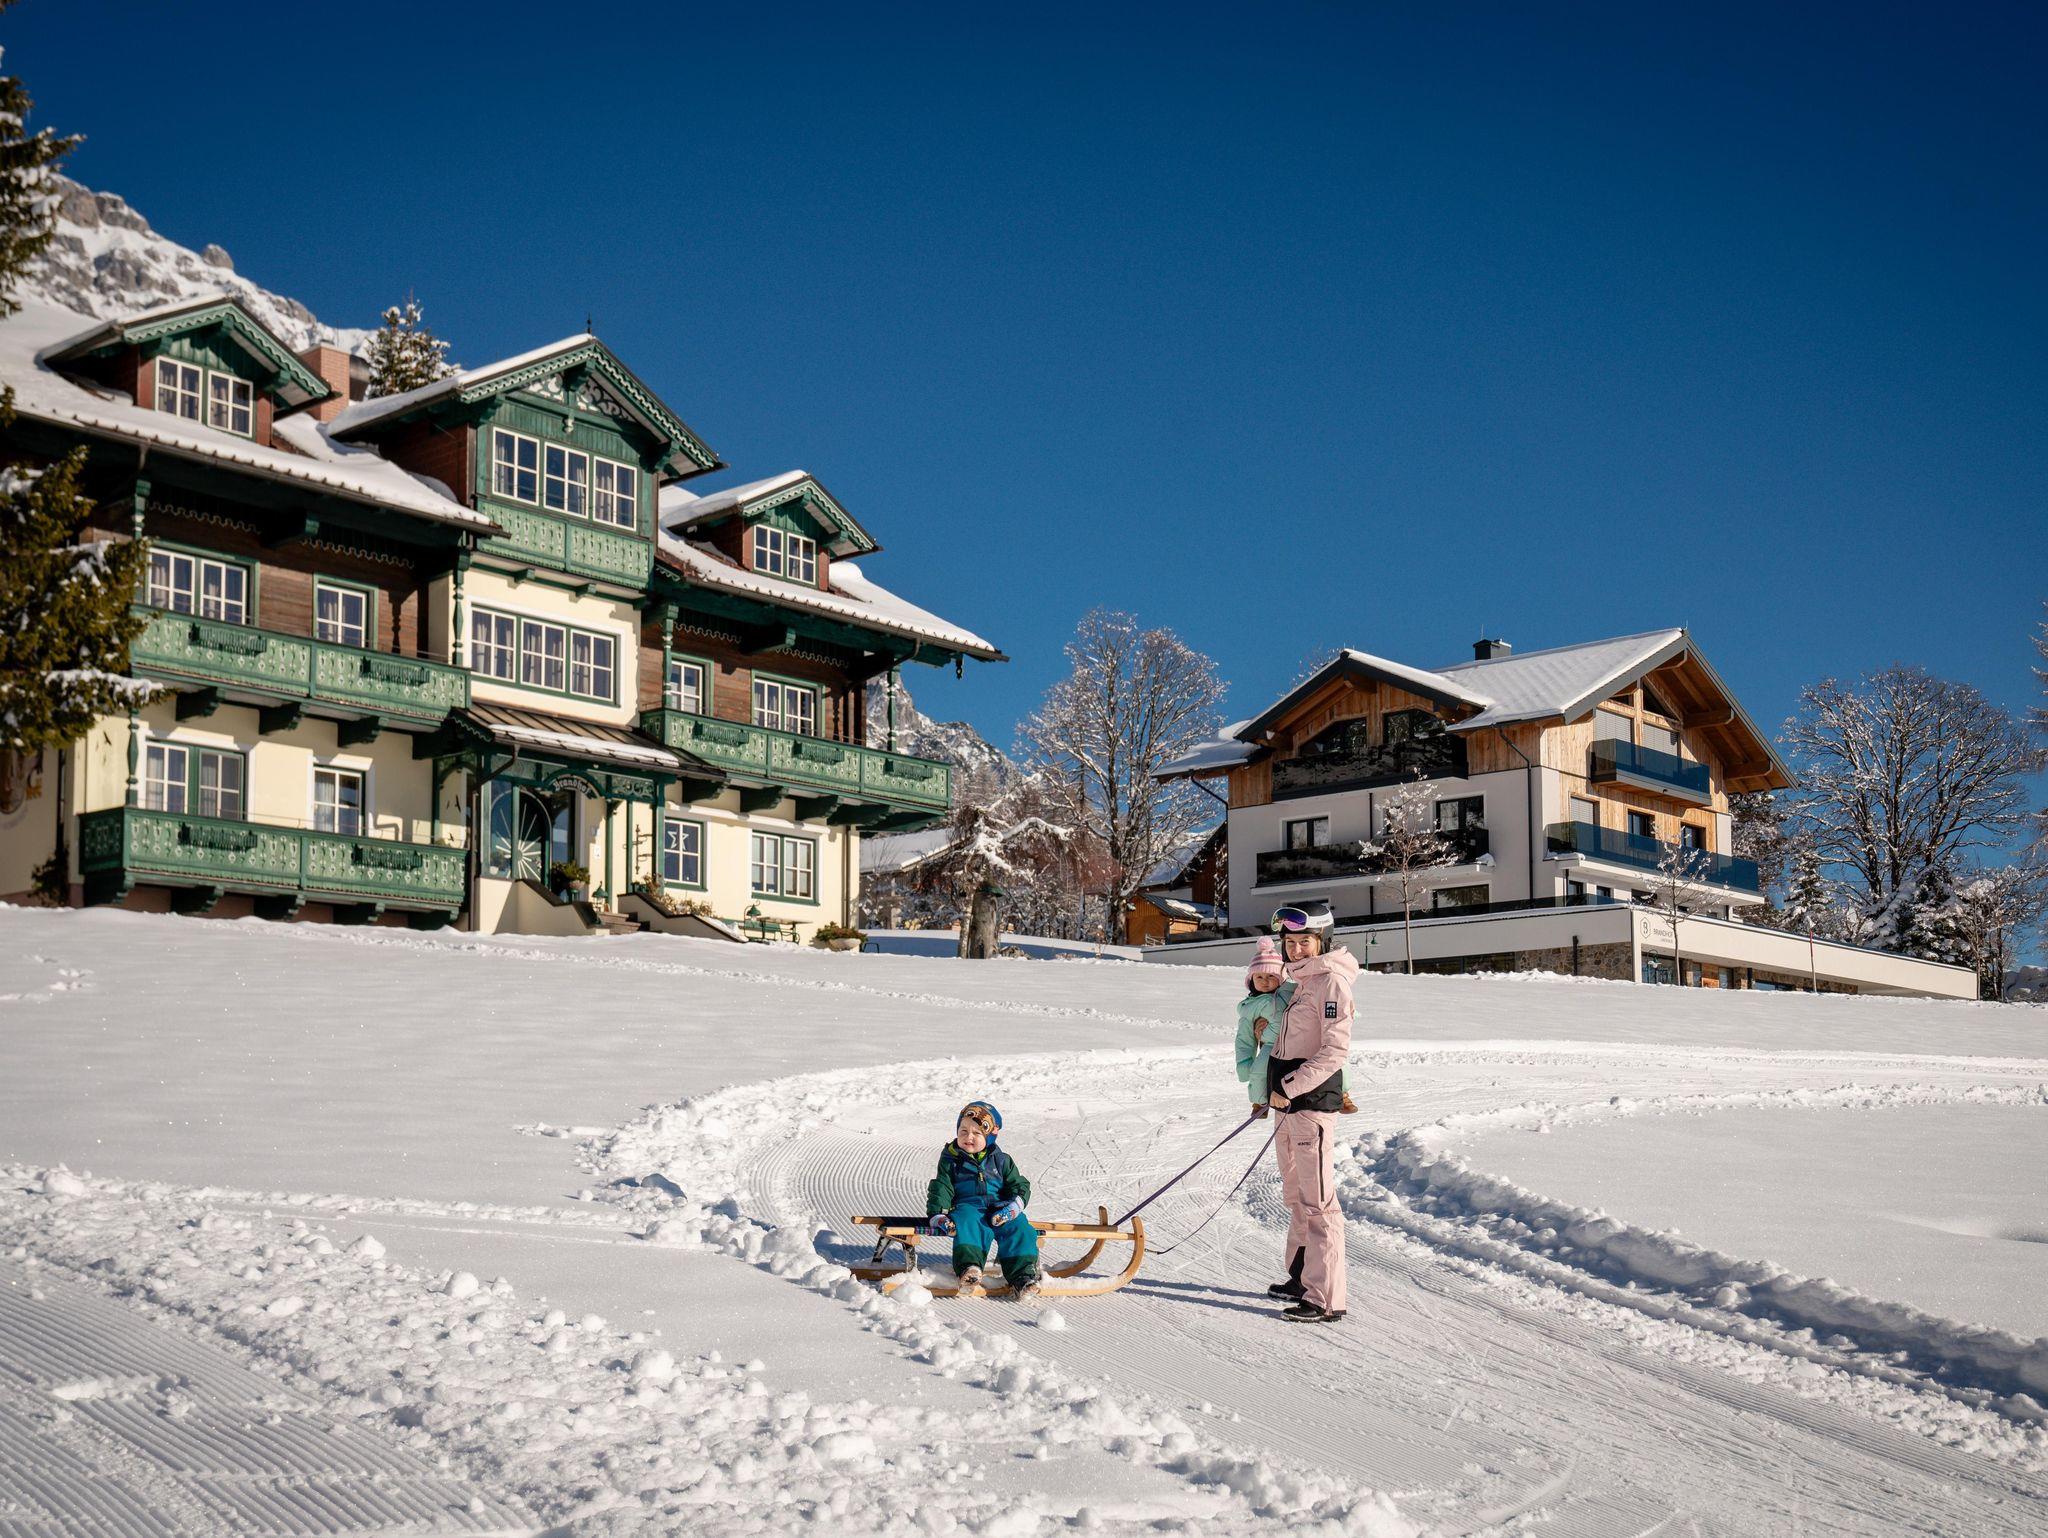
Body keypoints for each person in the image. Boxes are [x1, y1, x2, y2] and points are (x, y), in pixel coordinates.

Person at [1265, 901, 1357, 1323]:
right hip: (1288, 1107)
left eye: (1305, 941)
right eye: (1290, 942)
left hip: (1310, 1105)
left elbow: (1335, 1051)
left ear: (1323, 941)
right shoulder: (1302, 981)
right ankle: (1301, 1278)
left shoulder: (1331, 982)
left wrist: (1289, 1087)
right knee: (1297, 1196)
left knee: (1319, 1202)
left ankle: (1326, 1298)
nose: (1296, 949)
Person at [925, 1100, 1041, 1298]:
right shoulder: (951, 1160)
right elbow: (941, 1187)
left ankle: (1022, 1276)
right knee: (968, 1223)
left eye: (977, 1133)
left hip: (1000, 1210)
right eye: (963, 1131)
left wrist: (1014, 1207)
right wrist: (938, 1215)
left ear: (989, 1136)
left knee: (1020, 1227)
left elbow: (1019, 1185)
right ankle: (969, 1268)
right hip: (967, 1206)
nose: (968, 1137)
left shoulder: (1002, 1160)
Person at [1238, 938, 1356, 1120]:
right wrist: (1244, 1065)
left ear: (1281, 978)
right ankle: (1260, 1102)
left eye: (1271, 976)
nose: (1265, 982)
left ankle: (1344, 1094)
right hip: (1271, 1046)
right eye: (1259, 977)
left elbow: (1319, 1002)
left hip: (1298, 1041)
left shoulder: (1294, 990)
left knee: (1338, 1063)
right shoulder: (1250, 1006)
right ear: (1251, 980)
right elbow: (1244, 1039)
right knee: (1260, 1070)